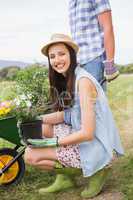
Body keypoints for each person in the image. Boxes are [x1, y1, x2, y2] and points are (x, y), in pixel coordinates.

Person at [24, 34, 124, 198]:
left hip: (97, 144)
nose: (57, 60)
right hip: (85, 136)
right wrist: (35, 119)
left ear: (72, 54)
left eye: (61, 54)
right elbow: (70, 115)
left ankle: (98, 169)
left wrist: (52, 143)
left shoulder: (83, 82)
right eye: (52, 56)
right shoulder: (71, 77)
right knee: (43, 126)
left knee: (31, 155)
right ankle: (65, 178)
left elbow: (87, 133)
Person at [68, 0, 119, 85]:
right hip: (77, 62)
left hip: (94, 59)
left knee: (95, 98)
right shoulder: (71, 2)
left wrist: (110, 64)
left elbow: (107, 26)